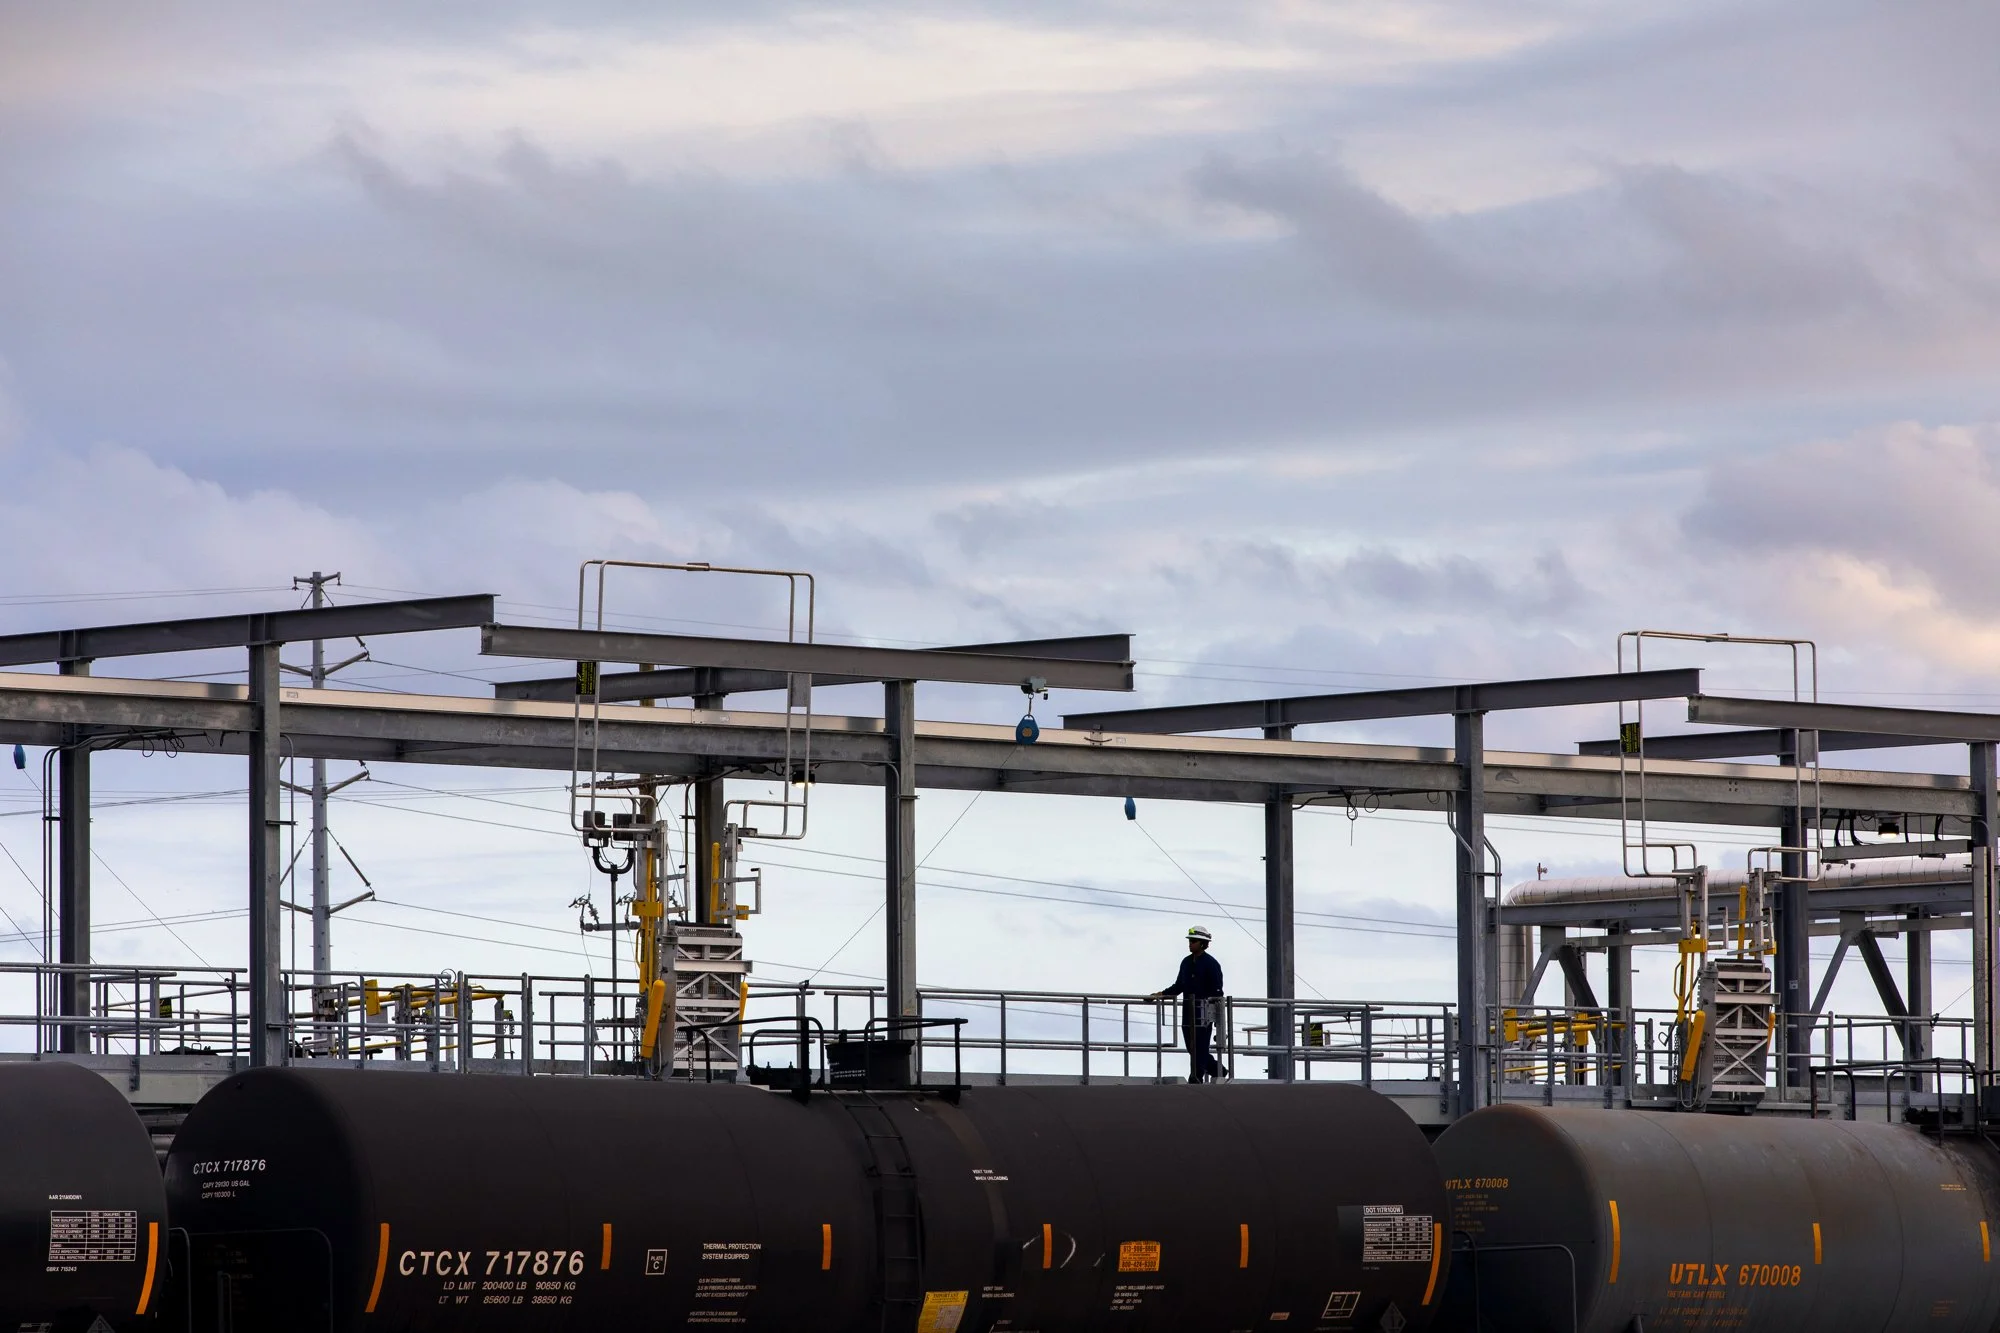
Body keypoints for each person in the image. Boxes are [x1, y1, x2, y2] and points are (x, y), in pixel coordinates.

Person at [1149, 926, 1224, 1083]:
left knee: (1201, 1046)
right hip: (1187, 1011)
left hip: (1204, 1011)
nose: (1190, 944)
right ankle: (1218, 1070)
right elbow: (1179, 986)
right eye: (1190, 941)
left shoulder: (1211, 964)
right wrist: (1161, 995)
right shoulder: (1186, 962)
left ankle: (1196, 1077)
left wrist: (1216, 1016)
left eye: (1193, 941)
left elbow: (1218, 992)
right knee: (1192, 1047)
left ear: (1203, 943)